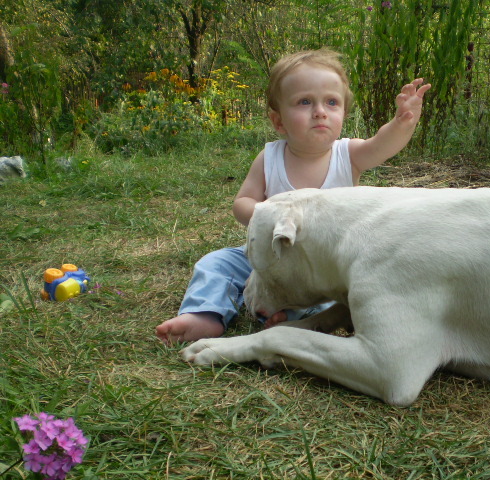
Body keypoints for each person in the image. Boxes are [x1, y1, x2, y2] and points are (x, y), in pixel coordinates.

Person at [156, 48, 431, 345]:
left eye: (331, 102)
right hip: (269, 256)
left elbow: (382, 144)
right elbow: (241, 204)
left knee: (340, 297)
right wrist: (265, 213)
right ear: (279, 121)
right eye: (304, 102)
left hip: (323, 268)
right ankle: (205, 315)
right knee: (217, 264)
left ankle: (293, 320)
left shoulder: (348, 154)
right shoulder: (269, 157)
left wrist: (402, 122)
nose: (320, 111)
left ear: (343, 113)